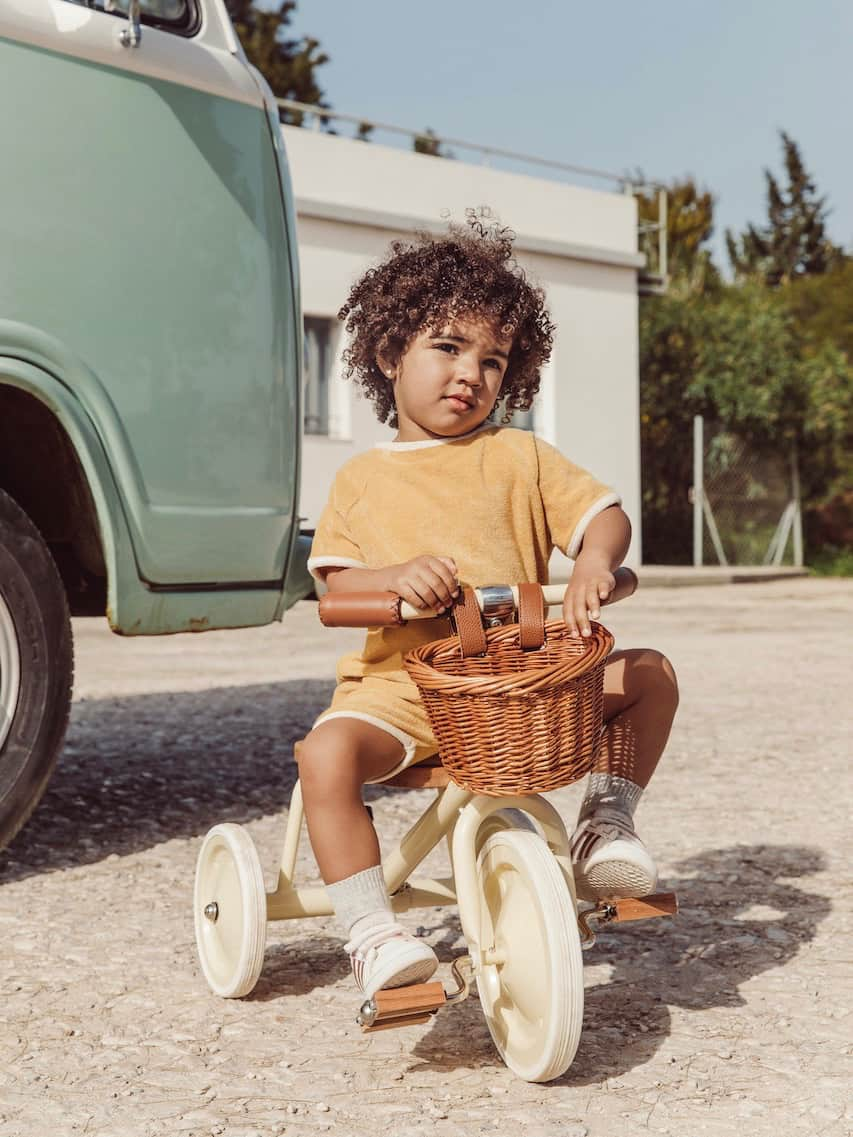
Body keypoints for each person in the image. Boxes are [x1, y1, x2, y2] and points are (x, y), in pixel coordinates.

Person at [302, 213, 679, 1000]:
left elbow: (604, 517)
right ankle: (371, 934)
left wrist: (594, 566)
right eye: (446, 346)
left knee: (647, 674)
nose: (469, 373)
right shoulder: (360, 479)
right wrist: (395, 578)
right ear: (386, 353)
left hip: (527, 686)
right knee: (324, 755)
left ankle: (603, 825)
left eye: (493, 359)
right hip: (405, 691)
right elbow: (334, 590)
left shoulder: (519, 455)